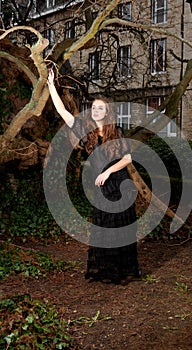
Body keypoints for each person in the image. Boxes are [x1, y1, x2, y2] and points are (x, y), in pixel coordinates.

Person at [47, 69, 141, 284]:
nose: (96, 110)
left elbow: (127, 159)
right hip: (101, 188)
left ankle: (125, 270)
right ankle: (105, 270)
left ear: (107, 112)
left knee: (121, 228)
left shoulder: (116, 131)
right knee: (103, 227)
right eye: (94, 107)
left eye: (101, 108)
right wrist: (51, 85)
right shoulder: (86, 130)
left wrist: (108, 171)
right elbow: (63, 111)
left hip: (120, 184)